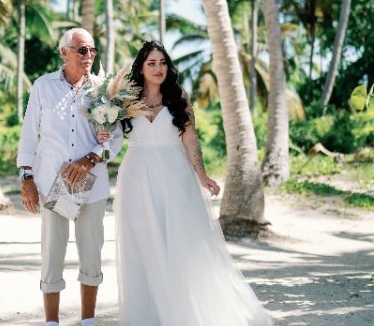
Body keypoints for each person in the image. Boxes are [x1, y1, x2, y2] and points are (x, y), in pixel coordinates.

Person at [107, 41, 273, 325]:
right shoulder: (125, 100)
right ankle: (148, 316)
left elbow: (190, 138)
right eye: (152, 63)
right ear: (141, 68)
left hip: (175, 176)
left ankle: (185, 312)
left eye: (162, 63)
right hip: (136, 178)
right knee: (142, 245)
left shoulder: (178, 97)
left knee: (182, 243)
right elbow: (111, 135)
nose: (158, 68)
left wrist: (202, 175)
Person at [17, 27, 123, 326]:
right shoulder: (43, 86)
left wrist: (91, 158)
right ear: (64, 52)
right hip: (51, 181)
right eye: (81, 50)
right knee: (52, 253)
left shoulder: (105, 89)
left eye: (91, 50)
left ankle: (88, 320)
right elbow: (29, 134)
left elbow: (114, 139)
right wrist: (26, 178)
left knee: (91, 252)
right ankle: (52, 322)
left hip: (92, 184)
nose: (88, 55)